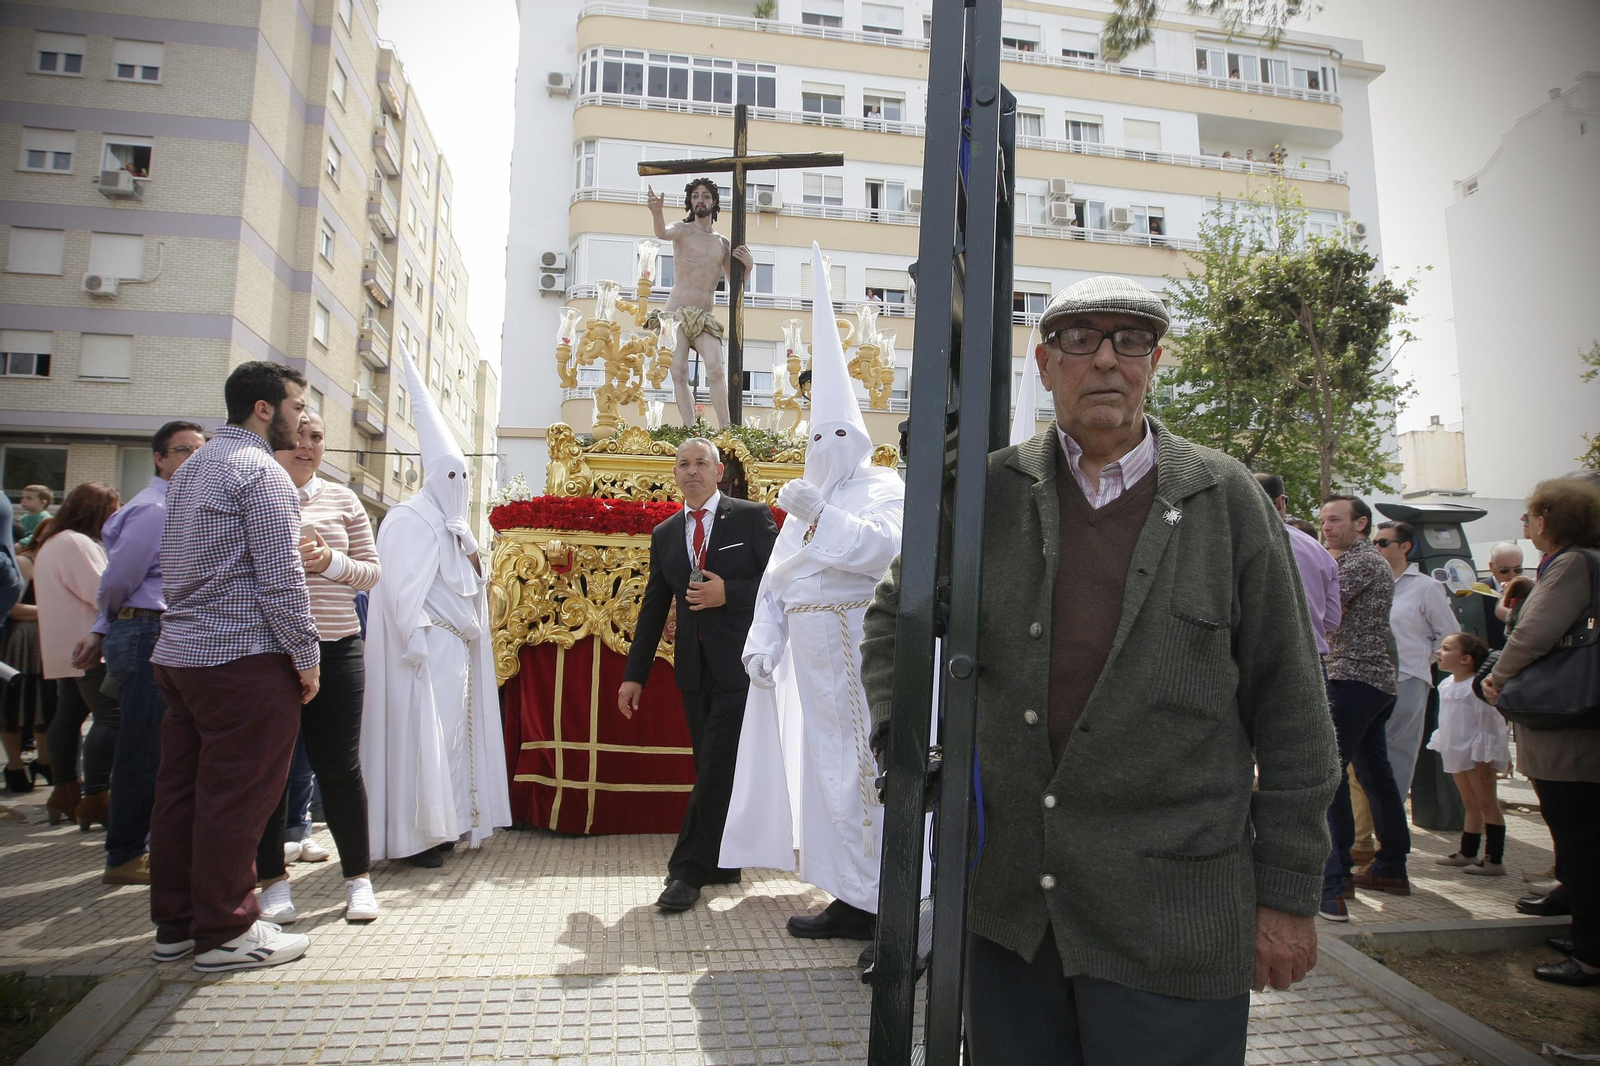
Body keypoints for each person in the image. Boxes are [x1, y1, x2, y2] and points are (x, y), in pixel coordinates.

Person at [860, 276, 1339, 1064]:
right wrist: (901, 745)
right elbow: (895, 618)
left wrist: (1288, 897)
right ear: (1045, 364)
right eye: (1082, 341)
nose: (1108, 361)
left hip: (1170, 922)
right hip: (1012, 917)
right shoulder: (988, 494)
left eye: (1131, 341)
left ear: (1155, 363)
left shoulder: (1226, 500)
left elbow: (1292, 705)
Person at [722, 244, 906, 956]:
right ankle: (847, 895)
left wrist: (822, 515)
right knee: (824, 775)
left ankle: (889, 904)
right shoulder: (803, 497)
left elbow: (886, 553)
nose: (828, 444)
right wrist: (762, 640)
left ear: (857, 435)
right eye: (819, 433)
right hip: (808, 655)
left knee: (869, 775)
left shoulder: (884, 487)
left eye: (840, 433)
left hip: (861, 648)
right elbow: (778, 576)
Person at [148, 360, 320, 973]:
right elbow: (281, 580)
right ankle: (225, 931)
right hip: (241, 659)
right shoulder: (262, 475)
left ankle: (177, 925)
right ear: (265, 409)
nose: (304, 423)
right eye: (298, 408)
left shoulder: (191, 469)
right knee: (235, 800)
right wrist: (307, 654)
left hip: (182, 653)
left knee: (182, 795)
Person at [362, 349, 511, 869]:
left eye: (462, 476)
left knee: (451, 743)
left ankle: (448, 826)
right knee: (423, 742)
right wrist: (419, 641)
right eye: (448, 475)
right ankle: (417, 836)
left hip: (456, 651)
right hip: (423, 655)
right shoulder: (407, 520)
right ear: (429, 475)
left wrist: (469, 546)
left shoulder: (453, 526)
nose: (458, 486)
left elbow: (474, 584)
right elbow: (401, 592)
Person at [620, 438, 779, 913]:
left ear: (718, 470)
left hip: (741, 665)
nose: (692, 471)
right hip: (692, 668)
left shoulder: (751, 516)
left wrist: (728, 593)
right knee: (710, 765)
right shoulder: (666, 533)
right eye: (684, 464)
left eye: (701, 463)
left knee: (714, 765)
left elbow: (779, 583)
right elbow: (653, 608)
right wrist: (635, 676)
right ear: (676, 474)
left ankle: (686, 871)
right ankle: (724, 858)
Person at [252, 413, 382, 922]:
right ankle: (274, 884)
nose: (307, 446)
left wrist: (328, 561)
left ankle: (358, 879)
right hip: (272, 651)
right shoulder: (256, 491)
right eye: (299, 436)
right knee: (271, 770)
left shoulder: (343, 499)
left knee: (340, 768)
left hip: (336, 647)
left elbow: (371, 573)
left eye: (317, 438)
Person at [67, 422, 204, 884]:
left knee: (157, 746)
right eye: (182, 450)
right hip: (147, 631)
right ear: (159, 458)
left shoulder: (180, 505)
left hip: (151, 631)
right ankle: (125, 855)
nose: (192, 457)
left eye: (199, 450)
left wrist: (103, 628)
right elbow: (119, 582)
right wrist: (107, 624)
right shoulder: (155, 508)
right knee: (143, 749)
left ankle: (138, 846)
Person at [1481, 478, 1600, 986]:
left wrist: (1497, 676)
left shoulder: (1574, 563)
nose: (1526, 525)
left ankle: (1591, 953)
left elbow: (1535, 631)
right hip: (1577, 724)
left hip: (1569, 730)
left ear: (1548, 518)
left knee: (1581, 839)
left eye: (1529, 517)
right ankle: (1578, 917)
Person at [1318, 495, 1409, 916]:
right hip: (1373, 680)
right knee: (1374, 774)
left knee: (1329, 772)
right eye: (1323, 521)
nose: (1327, 527)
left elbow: (1318, 607)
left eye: (1335, 520)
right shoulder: (1357, 561)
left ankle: (1335, 878)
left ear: (1361, 524)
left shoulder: (1358, 562)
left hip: (1353, 677)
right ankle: (1391, 866)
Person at [34, 481, 121, 830]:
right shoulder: (77, 542)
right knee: (110, 715)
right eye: (112, 508)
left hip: (61, 644)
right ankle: (97, 795)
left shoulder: (52, 542)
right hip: (88, 644)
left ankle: (65, 790)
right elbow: (102, 591)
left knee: (68, 715)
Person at [646, 178, 755, 427]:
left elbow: (735, 282)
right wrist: (657, 211)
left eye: (705, 196)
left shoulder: (722, 243)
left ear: (714, 202)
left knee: (716, 367)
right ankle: (690, 428)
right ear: (690, 201)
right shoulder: (682, 230)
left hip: (703, 315)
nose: (700, 201)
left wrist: (748, 267)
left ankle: (727, 427)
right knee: (679, 372)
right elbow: (662, 232)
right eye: (695, 196)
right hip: (676, 312)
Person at [1373, 520, 1459, 805]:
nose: (1376, 547)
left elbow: (1449, 635)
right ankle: (1365, 827)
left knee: (1397, 750)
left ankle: (1391, 821)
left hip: (1408, 676)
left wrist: (1422, 659)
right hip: (1370, 677)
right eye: (1374, 542)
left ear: (1404, 547)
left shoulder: (1427, 587)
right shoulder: (1372, 583)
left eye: (1383, 542)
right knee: (1368, 751)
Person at [1426, 632, 1509, 873]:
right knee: (1470, 803)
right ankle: (1468, 851)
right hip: (1456, 751)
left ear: (1466, 659)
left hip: (1476, 755)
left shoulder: (1477, 688)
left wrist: (1485, 757)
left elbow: (1489, 723)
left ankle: (1494, 859)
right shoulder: (1445, 685)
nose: (1440, 652)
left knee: (1487, 803)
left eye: (1447, 648)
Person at [1255, 473, 1340, 657]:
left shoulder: (1227, 546)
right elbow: (1332, 620)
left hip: (1253, 662)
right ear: (1280, 503)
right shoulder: (1319, 552)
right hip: (1310, 660)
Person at [3, 518, 53, 794]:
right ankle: (14, 764)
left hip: (47, 638)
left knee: (43, 702)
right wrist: (49, 609)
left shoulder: (55, 561)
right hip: (23, 638)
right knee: (16, 703)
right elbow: (12, 608)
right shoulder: (24, 562)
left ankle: (44, 760)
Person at [1483, 542, 1525, 651]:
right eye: (1505, 570)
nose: (1511, 575)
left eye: (1518, 570)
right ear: (1491, 566)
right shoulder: (1479, 592)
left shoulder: (1529, 592)